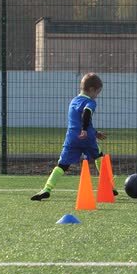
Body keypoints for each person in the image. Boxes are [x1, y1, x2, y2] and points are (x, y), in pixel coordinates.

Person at [31, 73, 117, 201]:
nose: (97, 96)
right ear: (92, 89)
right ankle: (110, 186)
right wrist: (85, 130)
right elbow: (86, 113)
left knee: (62, 165)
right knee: (99, 156)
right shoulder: (90, 102)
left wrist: (95, 132)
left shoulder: (73, 101)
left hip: (72, 138)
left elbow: (77, 121)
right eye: (97, 92)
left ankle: (47, 188)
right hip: (86, 137)